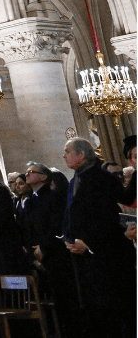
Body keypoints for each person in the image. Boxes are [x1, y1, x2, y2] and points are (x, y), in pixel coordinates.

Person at [63, 137, 136, 337]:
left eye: (68, 151)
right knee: (91, 309)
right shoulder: (74, 181)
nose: (64, 156)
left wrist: (89, 244)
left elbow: (107, 219)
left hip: (104, 255)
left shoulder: (103, 178)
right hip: (81, 255)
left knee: (111, 309)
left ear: (81, 154)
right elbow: (70, 214)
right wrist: (67, 238)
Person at [20, 162, 74, 338]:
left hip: (54, 253)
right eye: (26, 172)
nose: (27, 175)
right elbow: (27, 229)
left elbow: (54, 226)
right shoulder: (31, 200)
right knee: (47, 298)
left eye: (31, 172)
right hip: (37, 255)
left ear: (43, 177)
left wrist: (42, 247)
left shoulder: (52, 197)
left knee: (64, 298)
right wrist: (31, 250)